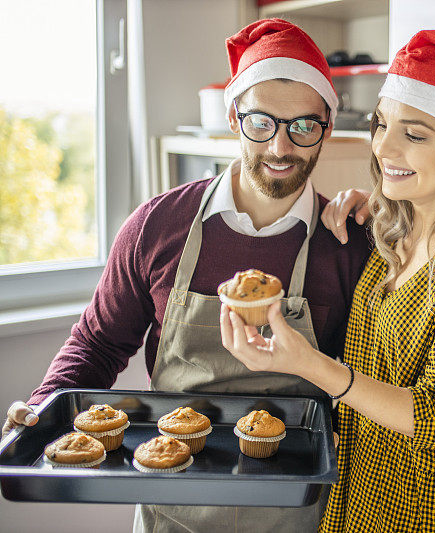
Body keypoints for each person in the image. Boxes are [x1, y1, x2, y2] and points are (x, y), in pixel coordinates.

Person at [2, 19, 370, 533]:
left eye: (304, 126)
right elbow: (98, 343)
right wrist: (44, 407)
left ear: (328, 125)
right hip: (168, 505)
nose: (281, 148)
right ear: (232, 117)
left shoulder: (350, 244)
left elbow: (368, 382)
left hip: (296, 508)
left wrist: (397, 221)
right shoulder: (156, 226)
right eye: (261, 123)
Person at [221, 24, 435, 532]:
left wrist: (309, 364)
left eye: (414, 135)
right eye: (381, 125)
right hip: (365, 494)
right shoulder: (389, 236)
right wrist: (377, 204)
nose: (384, 149)